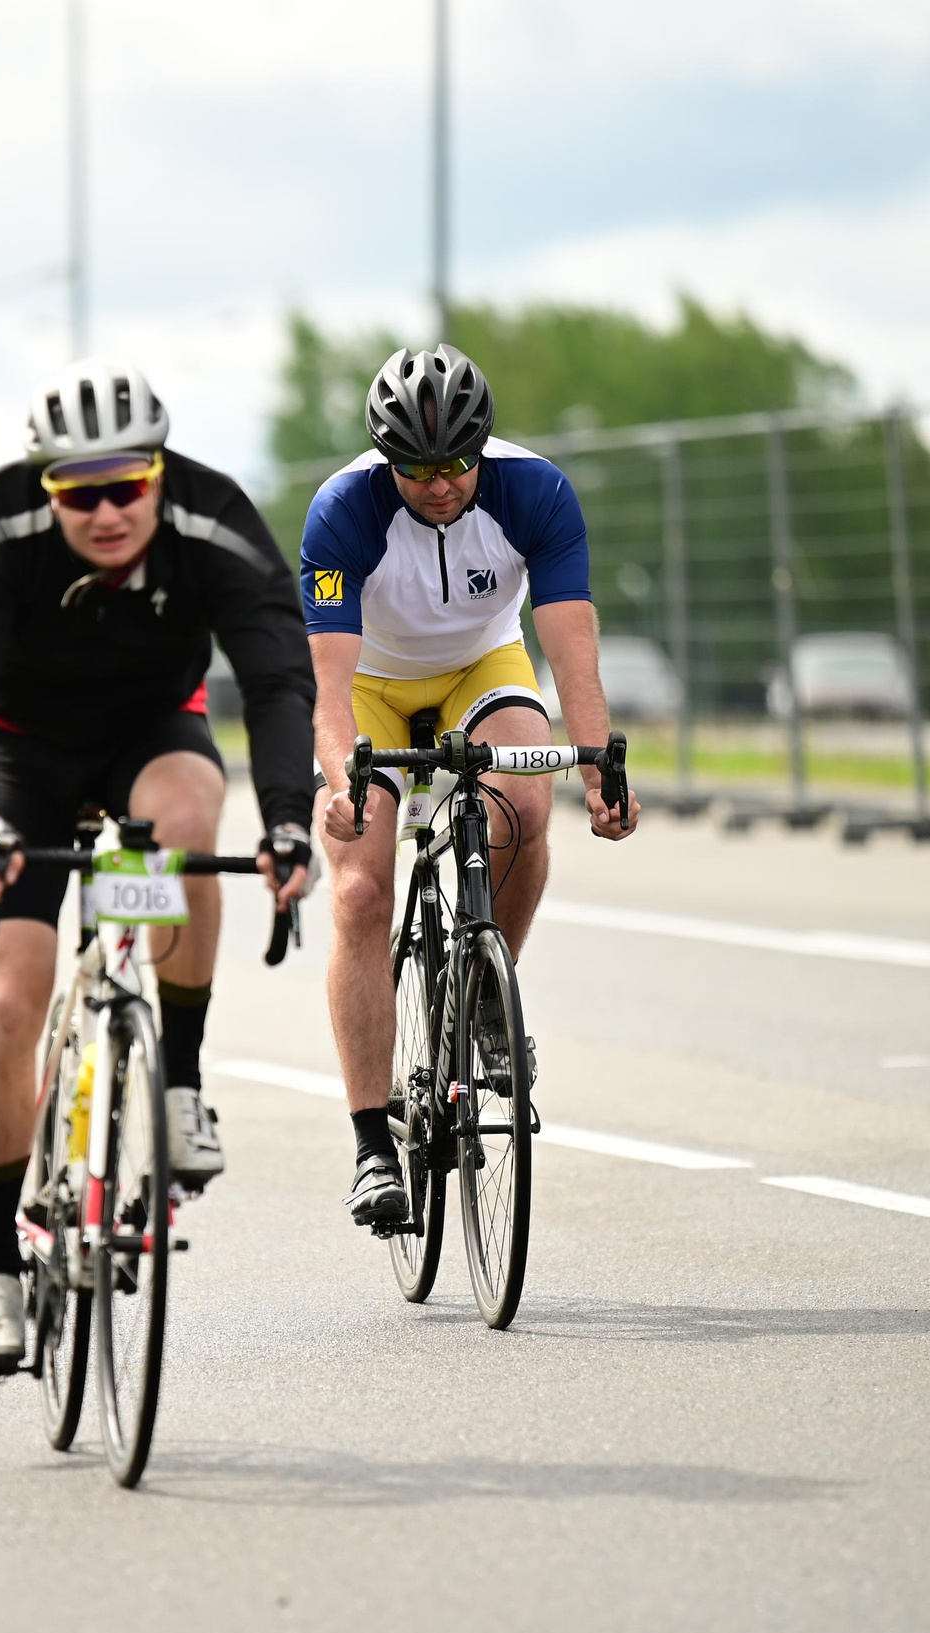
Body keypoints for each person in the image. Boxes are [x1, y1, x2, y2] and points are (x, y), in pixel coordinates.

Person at [0, 358, 317, 1370]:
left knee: (188, 823)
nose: (105, 513)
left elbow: (276, 679)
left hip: (151, 731)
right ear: (46, 489)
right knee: (11, 1007)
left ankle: (178, 1082)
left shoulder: (215, 520)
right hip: (21, 756)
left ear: (158, 472)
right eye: (79, 494)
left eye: (126, 488)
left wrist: (286, 822)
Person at [300, 344, 639, 1231]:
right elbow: (328, 687)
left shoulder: (536, 491)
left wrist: (600, 764)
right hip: (372, 685)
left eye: (456, 464)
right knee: (361, 887)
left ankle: (487, 992)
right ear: (386, 460)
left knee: (525, 804)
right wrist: (341, 782)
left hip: (480, 666)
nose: (441, 485)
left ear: (482, 448)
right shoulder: (342, 509)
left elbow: (570, 648)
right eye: (417, 470)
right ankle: (372, 1147)